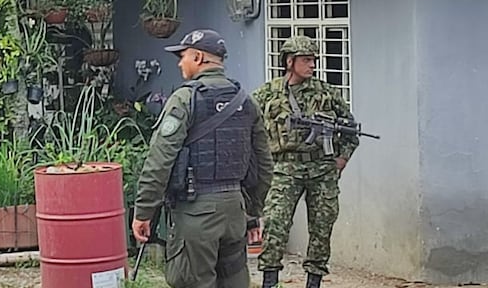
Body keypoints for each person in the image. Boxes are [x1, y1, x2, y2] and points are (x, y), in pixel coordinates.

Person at [131, 29, 273, 288]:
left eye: (182, 56)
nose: (179, 62)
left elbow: (160, 160)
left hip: (197, 213)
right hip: (234, 212)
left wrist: (143, 211)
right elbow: (263, 165)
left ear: (197, 57)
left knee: (192, 282)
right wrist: (252, 214)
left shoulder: (185, 99)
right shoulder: (245, 101)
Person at [252, 35, 359, 288]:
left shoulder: (326, 93)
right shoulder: (268, 93)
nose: (312, 65)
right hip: (283, 168)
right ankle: (269, 280)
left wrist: (342, 158)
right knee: (276, 222)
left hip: (321, 168)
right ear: (290, 62)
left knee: (322, 227)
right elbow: (248, 124)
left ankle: (314, 281)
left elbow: (351, 128)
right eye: (306, 60)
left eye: (313, 60)